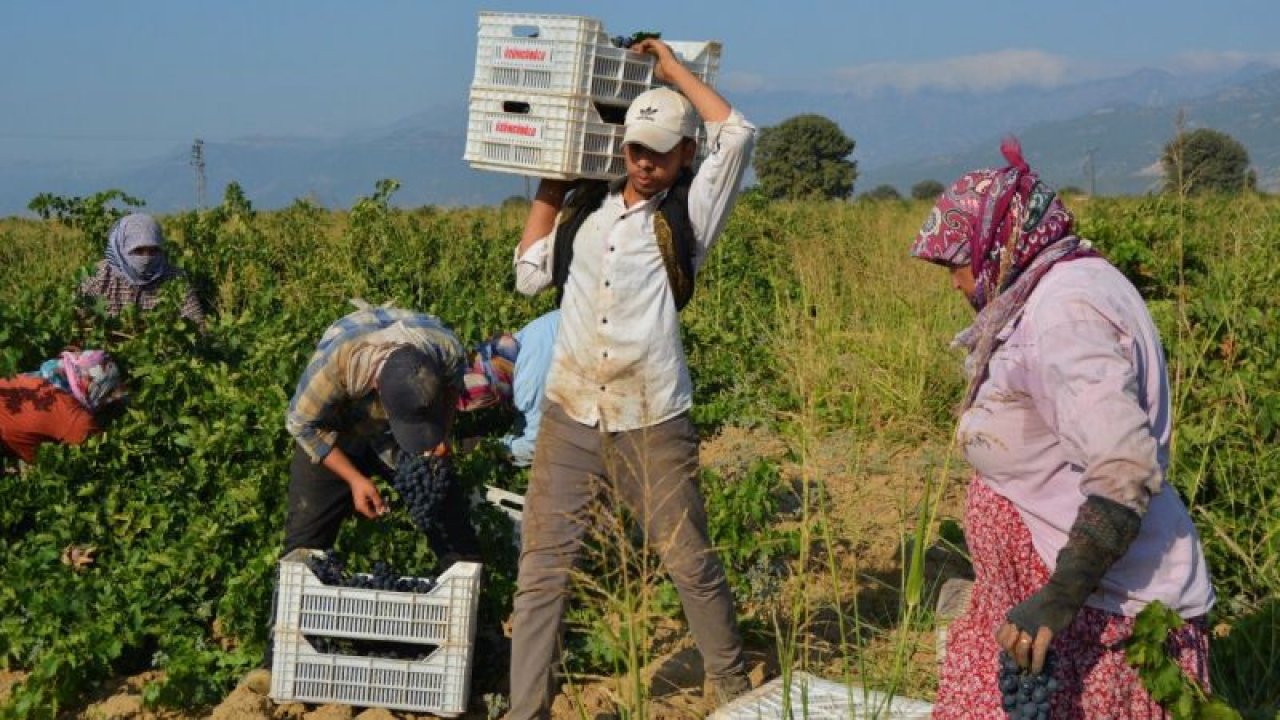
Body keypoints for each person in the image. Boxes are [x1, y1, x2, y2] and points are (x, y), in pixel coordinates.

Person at [911, 138, 1214, 718]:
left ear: (998, 243)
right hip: (1042, 596)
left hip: (1089, 612)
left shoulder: (1064, 317)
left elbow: (1122, 469)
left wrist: (1056, 598)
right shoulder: (1056, 283)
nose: (954, 283)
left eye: (957, 262)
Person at [506, 37, 756, 718]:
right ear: (623, 148)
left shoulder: (688, 218)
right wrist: (552, 184)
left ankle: (731, 690)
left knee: (688, 561)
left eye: (663, 152)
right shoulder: (589, 213)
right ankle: (527, 710)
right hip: (571, 414)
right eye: (638, 150)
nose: (647, 163)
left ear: (684, 156)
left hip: (652, 418)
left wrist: (672, 70)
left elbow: (737, 134)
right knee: (542, 574)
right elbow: (529, 275)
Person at [282, 301, 479, 561]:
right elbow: (300, 424)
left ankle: (460, 582)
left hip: (390, 433)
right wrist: (354, 479)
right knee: (304, 547)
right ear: (376, 385)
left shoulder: (445, 348)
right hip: (336, 431)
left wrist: (441, 433)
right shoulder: (337, 365)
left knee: (454, 530)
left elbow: (453, 384)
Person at [457, 309, 561, 468]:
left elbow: (538, 445)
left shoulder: (528, 381)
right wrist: (516, 432)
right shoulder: (519, 343)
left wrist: (495, 448)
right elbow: (532, 409)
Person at [78, 213, 206, 329]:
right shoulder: (99, 277)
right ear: (121, 248)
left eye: (153, 251)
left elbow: (197, 326)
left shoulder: (175, 279)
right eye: (138, 251)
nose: (146, 258)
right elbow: (79, 325)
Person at [1, 350, 126, 466]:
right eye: (106, 396)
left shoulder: (34, 377)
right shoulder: (75, 418)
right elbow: (99, 453)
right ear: (97, 389)